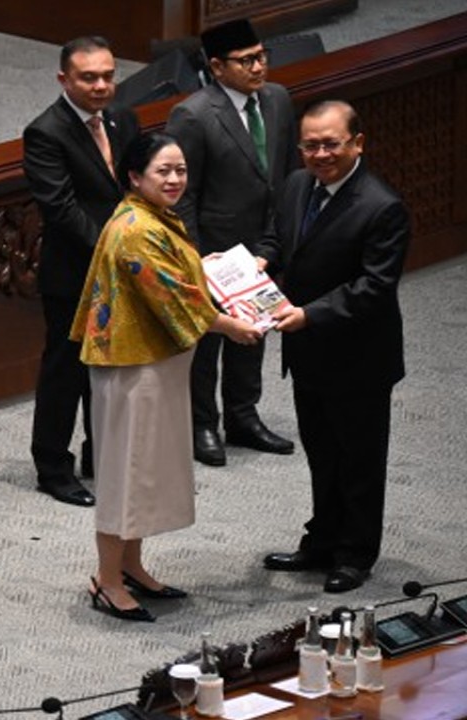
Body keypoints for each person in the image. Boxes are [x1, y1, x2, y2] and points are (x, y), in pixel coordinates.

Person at [71, 134, 261, 622]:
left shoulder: (152, 216)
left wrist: (214, 267)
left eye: (180, 169)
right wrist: (230, 323)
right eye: (163, 171)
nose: (175, 179)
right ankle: (107, 580)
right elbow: (173, 297)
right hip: (133, 369)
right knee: (125, 474)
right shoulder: (135, 228)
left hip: (156, 363)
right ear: (135, 177)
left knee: (145, 473)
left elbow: (179, 273)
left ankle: (131, 565)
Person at [257, 101, 408, 594]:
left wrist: (310, 315)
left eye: (331, 144)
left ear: (357, 143)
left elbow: (373, 287)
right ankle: (321, 541)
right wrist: (263, 260)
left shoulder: (382, 206)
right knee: (322, 453)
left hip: (359, 358)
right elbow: (281, 237)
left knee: (359, 460)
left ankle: (354, 553)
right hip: (308, 354)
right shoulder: (299, 184)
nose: (320, 154)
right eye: (310, 145)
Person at [165, 18, 297, 466]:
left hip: (263, 242)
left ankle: (243, 415)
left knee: (254, 333)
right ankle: (202, 422)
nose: (259, 67)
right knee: (208, 342)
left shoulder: (277, 99)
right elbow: (183, 194)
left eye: (262, 56)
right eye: (247, 61)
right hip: (214, 249)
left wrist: (275, 241)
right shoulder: (194, 114)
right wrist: (197, 257)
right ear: (217, 67)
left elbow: (281, 174)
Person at [23, 36, 141, 508]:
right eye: (89, 77)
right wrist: (117, 251)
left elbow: (137, 182)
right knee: (66, 371)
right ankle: (52, 466)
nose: (101, 85)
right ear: (63, 80)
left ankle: (102, 455)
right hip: (75, 271)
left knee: (111, 367)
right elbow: (61, 209)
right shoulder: (46, 132)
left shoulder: (123, 118)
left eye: (108, 75)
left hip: (121, 269)